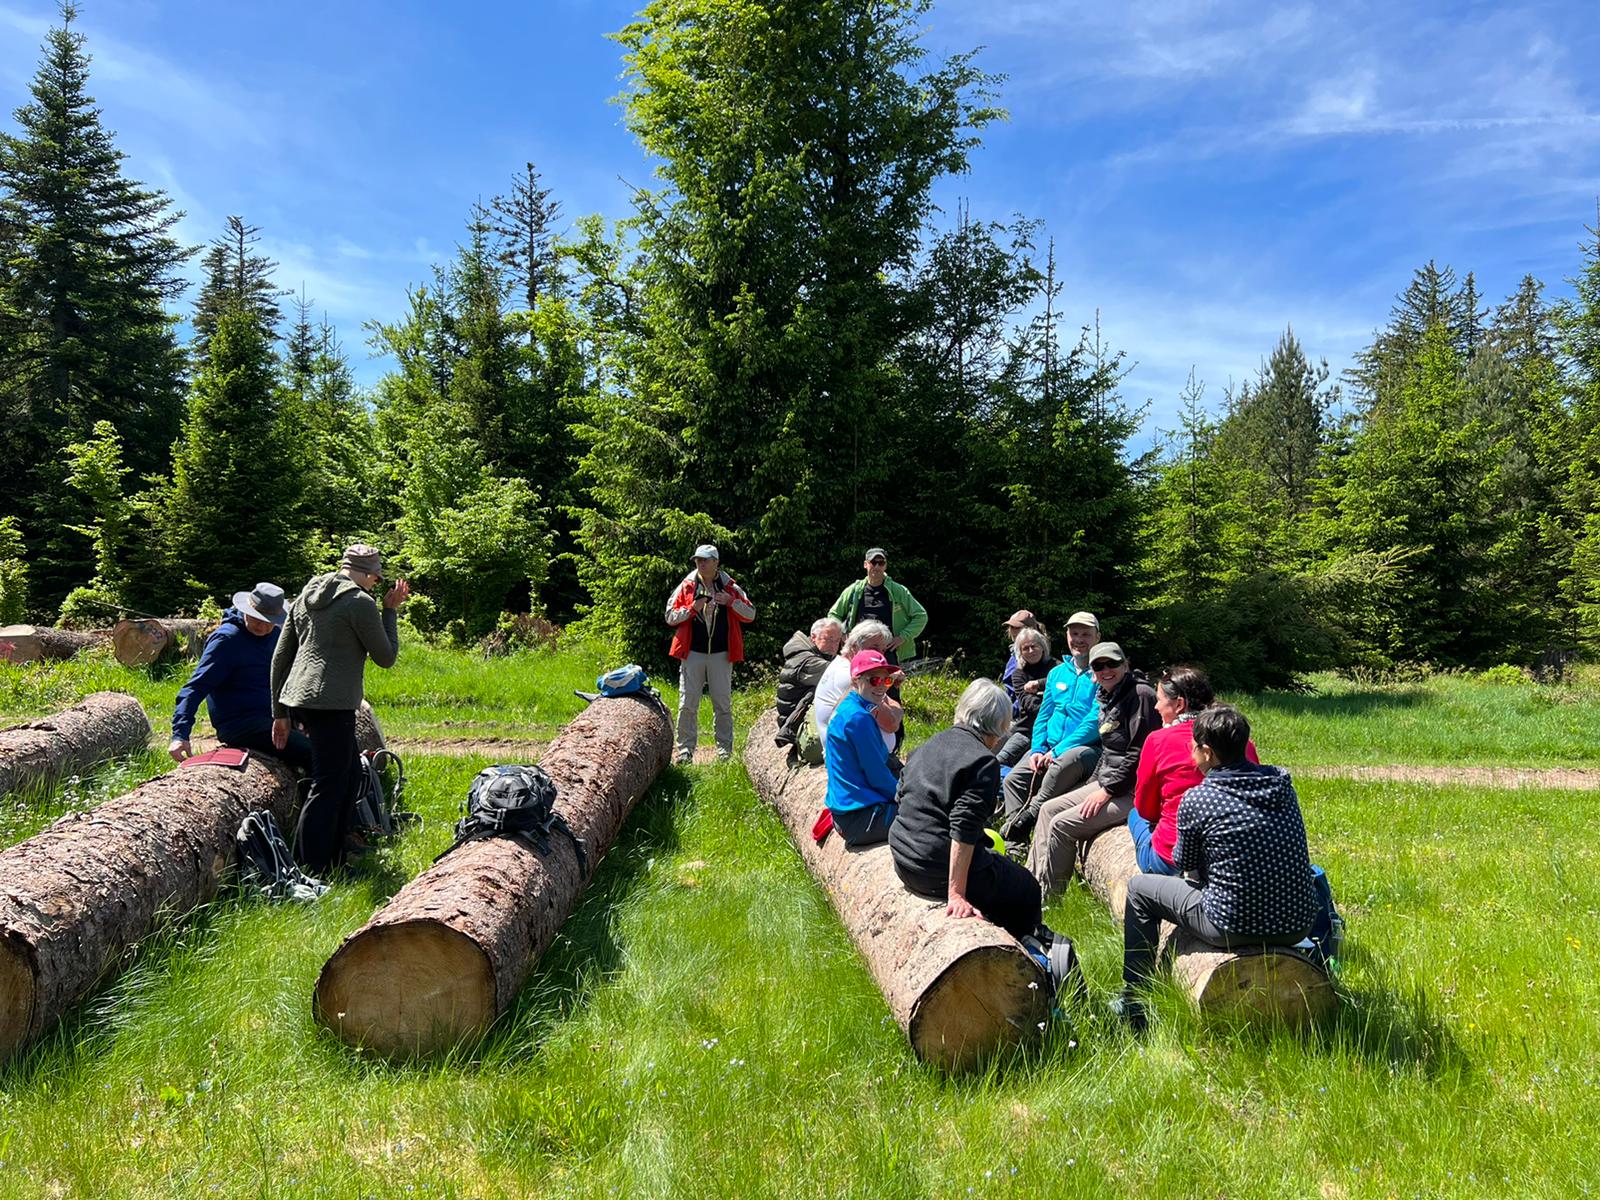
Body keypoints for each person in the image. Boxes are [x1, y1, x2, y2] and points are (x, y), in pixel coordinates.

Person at [1113, 704, 1317, 1031]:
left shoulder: (1200, 798)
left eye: (1193, 746)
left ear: (1207, 752)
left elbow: (1184, 863)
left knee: (1139, 890)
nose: (1191, 751)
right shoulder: (1281, 783)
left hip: (1230, 925)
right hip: (1297, 923)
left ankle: (1134, 998)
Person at [270, 544, 409, 873]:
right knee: (329, 784)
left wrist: (280, 712)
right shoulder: (359, 602)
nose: (376, 583)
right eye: (376, 577)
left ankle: (335, 859)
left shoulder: (307, 595)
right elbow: (386, 657)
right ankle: (308, 869)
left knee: (348, 775)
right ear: (366, 573)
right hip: (331, 704)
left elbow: (280, 656)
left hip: (301, 699)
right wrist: (390, 611)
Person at [889, 679, 1042, 941]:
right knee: (1026, 887)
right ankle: (1029, 946)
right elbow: (964, 828)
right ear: (1000, 726)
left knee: (996, 862)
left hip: (903, 859)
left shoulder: (929, 744)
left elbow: (900, 795)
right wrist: (956, 893)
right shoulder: (983, 762)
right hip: (933, 868)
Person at [1026, 641, 1159, 899]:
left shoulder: (1140, 695)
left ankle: (1048, 899)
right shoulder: (1107, 696)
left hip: (1132, 791)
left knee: (1062, 824)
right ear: (1093, 673)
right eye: (1099, 666)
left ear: (1125, 664)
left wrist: (1106, 791)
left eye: (1112, 664)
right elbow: (1108, 750)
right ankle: (1030, 884)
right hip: (1108, 781)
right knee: (1047, 809)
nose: (1106, 670)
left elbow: (1138, 754)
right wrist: (1091, 785)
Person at [168, 582, 312, 773]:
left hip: (275, 716)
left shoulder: (276, 636)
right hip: (241, 724)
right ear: (247, 609)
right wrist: (180, 734)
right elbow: (196, 687)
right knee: (314, 754)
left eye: (269, 621)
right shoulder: (227, 640)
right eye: (257, 618)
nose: (262, 626)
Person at [1129, 665, 1257, 877]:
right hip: (1234, 852)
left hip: (1175, 857)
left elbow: (1146, 809)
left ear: (1179, 704)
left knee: (1135, 814)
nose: (1156, 707)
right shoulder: (1241, 741)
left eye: (1159, 700)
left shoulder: (1159, 740)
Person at [999, 611, 1103, 845]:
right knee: (1013, 780)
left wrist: (1057, 751)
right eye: (1074, 633)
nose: (1079, 639)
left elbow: (1093, 723)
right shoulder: (1057, 673)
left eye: (1086, 634)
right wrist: (1037, 749)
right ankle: (1015, 842)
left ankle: (1031, 818)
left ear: (1097, 637)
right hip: (1049, 747)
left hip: (1084, 750)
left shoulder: (1103, 673)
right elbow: (1043, 716)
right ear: (1067, 636)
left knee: (1063, 763)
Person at [664, 544, 755, 764]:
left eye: (705, 560)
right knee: (688, 703)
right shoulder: (687, 586)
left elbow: (750, 614)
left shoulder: (730, 586)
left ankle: (724, 752)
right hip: (692, 653)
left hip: (721, 654)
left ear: (716, 562)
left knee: (722, 703)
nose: (701, 564)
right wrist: (692, 608)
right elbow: (670, 617)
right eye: (698, 560)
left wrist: (731, 602)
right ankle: (685, 751)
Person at [823, 649, 903, 846]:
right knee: (931, 817)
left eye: (887, 680)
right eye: (874, 680)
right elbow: (877, 777)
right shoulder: (859, 718)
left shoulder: (851, 706)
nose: (881, 686)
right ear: (855, 680)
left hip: (850, 813)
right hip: (860, 818)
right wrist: (909, 799)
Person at [827, 548, 927, 666]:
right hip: (859, 649)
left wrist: (902, 637)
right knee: (857, 678)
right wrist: (843, 635)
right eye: (873, 562)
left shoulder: (898, 591)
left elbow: (921, 616)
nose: (877, 566)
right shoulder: (854, 590)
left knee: (889, 678)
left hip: (888, 649)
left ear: (885, 566)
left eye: (881, 563)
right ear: (865, 564)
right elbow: (833, 614)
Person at [812, 620, 902, 751]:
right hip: (854, 757)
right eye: (874, 648)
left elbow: (890, 708)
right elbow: (891, 724)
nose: (879, 655)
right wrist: (897, 712)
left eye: (883, 650)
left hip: (861, 752)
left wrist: (894, 711)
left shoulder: (846, 666)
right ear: (854, 647)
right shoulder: (851, 676)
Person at [775, 616, 843, 749]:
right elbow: (843, 675)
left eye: (837, 641)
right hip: (798, 725)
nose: (833, 645)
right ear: (813, 637)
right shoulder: (807, 661)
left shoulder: (815, 654)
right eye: (828, 639)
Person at [996, 626, 1053, 768]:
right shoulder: (1018, 674)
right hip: (1026, 730)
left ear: (1043, 647)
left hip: (1052, 731)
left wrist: (1038, 685)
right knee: (998, 762)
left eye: (1034, 646)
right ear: (1020, 652)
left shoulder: (1056, 668)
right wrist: (1049, 698)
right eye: (1026, 648)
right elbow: (1029, 704)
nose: (1031, 651)